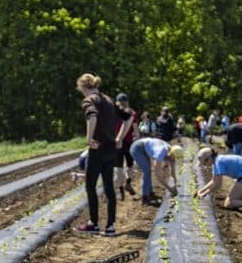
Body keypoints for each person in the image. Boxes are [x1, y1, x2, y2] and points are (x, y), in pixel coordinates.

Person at [72, 73, 120, 234]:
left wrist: (89, 137)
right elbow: (127, 117)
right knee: (109, 187)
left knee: (90, 186)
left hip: (97, 148)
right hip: (111, 148)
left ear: (83, 88)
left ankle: (93, 223)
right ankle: (110, 226)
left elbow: (92, 116)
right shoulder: (108, 99)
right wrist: (118, 137)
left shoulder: (89, 100)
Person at [197, 145, 242, 210]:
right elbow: (213, 181)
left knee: (229, 203)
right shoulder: (216, 161)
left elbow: (217, 184)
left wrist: (204, 194)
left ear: (209, 158)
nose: (204, 165)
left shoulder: (218, 162)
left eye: (204, 163)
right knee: (233, 199)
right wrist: (201, 191)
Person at [131, 135, 176, 204]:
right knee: (147, 171)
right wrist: (169, 188)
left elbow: (172, 171)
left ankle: (150, 192)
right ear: (170, 154)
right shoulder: (161, 152)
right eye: (173, 158)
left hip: (144, 147)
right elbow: (158, 174)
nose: (174, 160)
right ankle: (145, 197)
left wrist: (175, 185)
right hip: (137, 148)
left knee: (148, 170)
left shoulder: (172, 150)